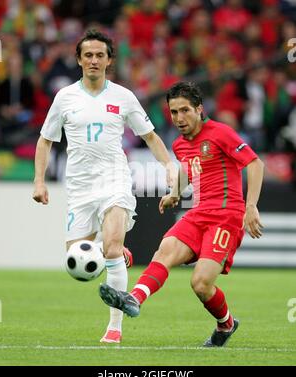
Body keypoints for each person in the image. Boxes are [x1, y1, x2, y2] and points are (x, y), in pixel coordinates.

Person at [32, 30, 176, 344]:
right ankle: (111, 249)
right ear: (79, 60)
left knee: (109, 249)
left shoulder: (123, 97)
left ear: (109, 60)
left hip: (115, 179)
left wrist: (168, 165)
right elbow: (45, 140)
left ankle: (114, 328)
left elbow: (149, 136)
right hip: (80, 187)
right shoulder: (65, 98)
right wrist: (39, 180)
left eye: (100, 55)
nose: (94, 60)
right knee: (76, 258)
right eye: (88, 55)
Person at [99, 81, 264, 347]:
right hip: (198, 213)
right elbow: (189, 170)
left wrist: (251, 206)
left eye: (185, 110)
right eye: (174, 112)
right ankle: (134, 299)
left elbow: (255, 164)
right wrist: (175, 193)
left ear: (199, 109)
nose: (179, 118)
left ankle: (226, 324)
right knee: (164, 251)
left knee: (200, 284)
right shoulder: (179, 144)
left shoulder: (221, 133)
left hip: (226, 216)